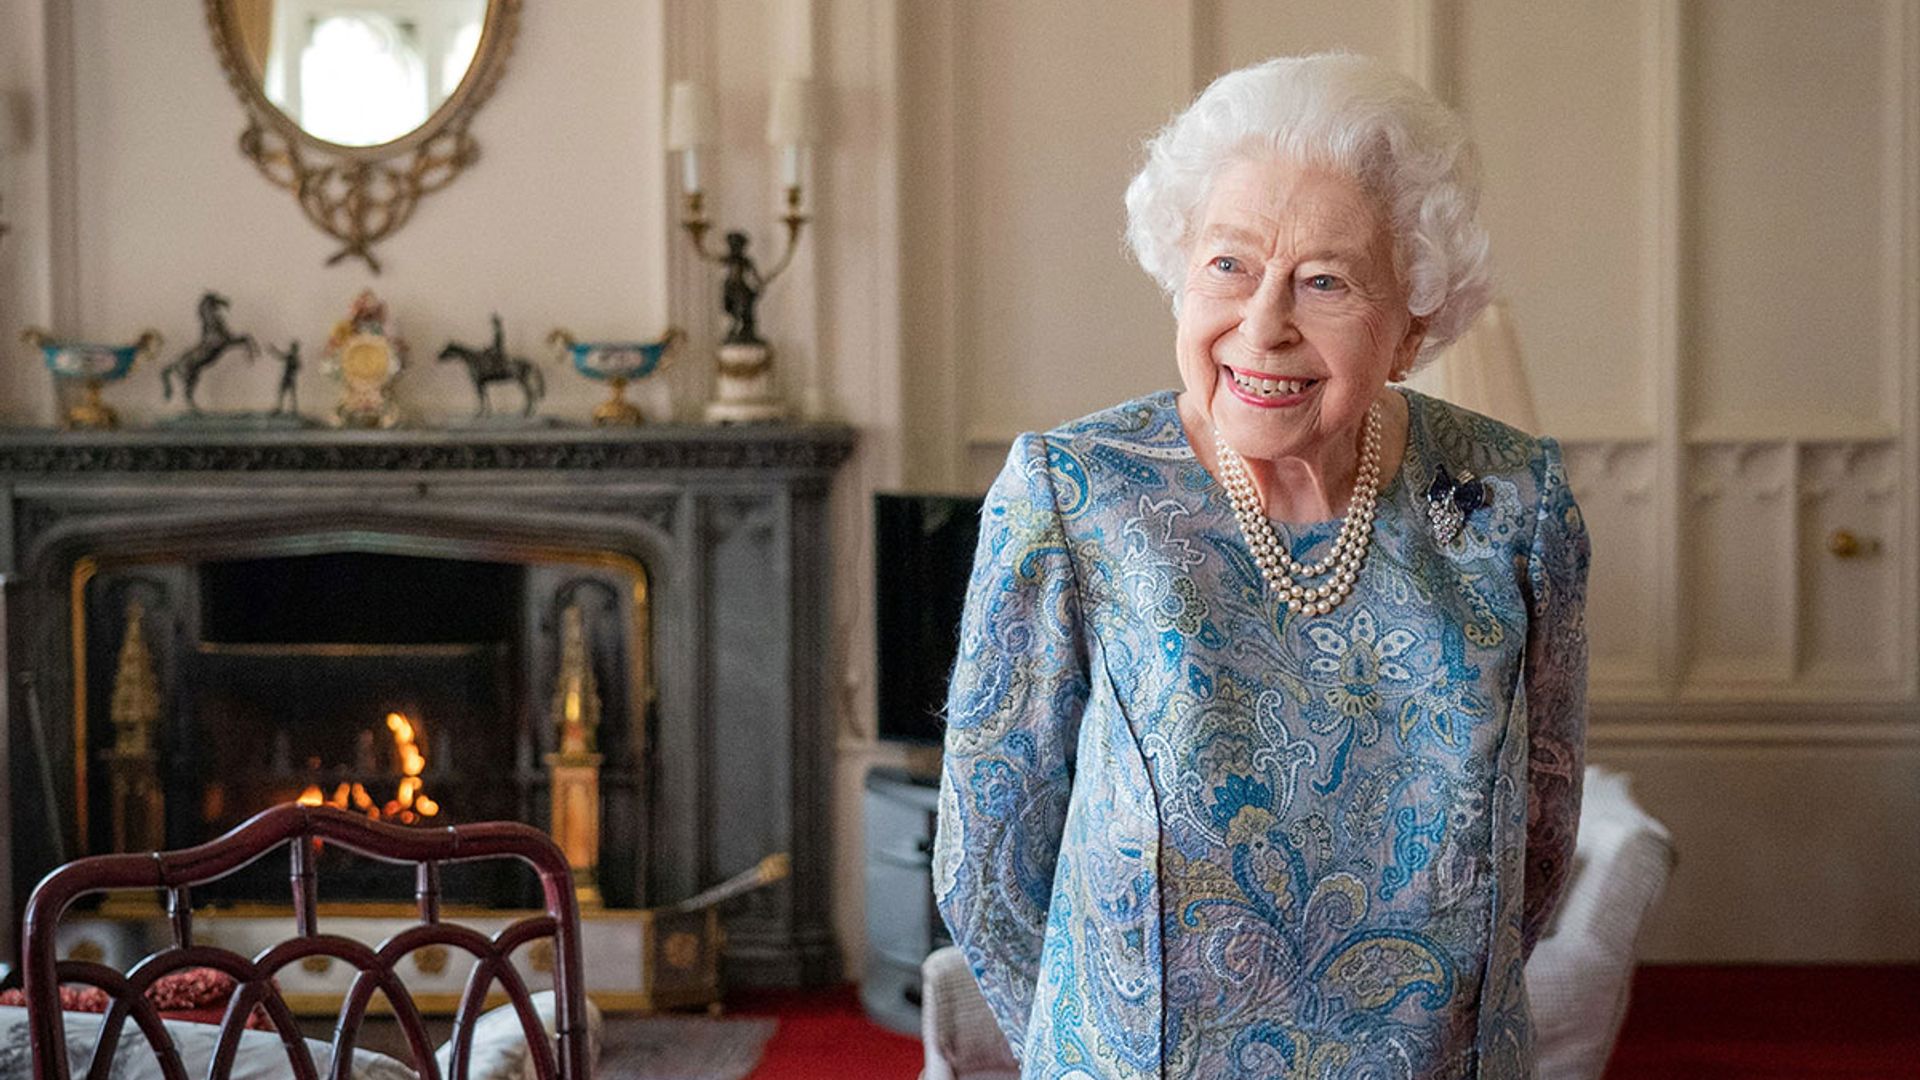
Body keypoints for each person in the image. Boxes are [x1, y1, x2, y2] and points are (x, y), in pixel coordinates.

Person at [935, 53, 1590, 1079]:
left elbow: (1540, 846)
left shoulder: (1512, 501)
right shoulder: (1076, 497)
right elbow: (987, 863)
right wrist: (1097, 1050)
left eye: (1325, 281)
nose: (1264, 324)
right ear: (1179, 269)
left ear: (1415, 317)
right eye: (1229, 265)